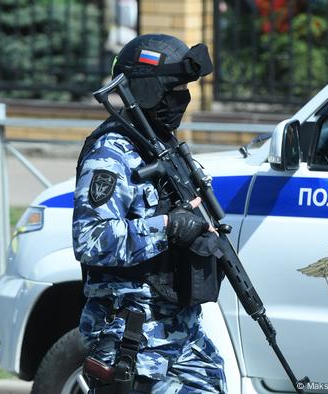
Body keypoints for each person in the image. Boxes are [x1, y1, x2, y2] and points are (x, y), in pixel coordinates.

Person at [73, 34, 227, 393]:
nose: (182, 100)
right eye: (173, 90)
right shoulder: (110, 153)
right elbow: (90, 240)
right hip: (132, 336)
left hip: (181, 331)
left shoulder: (163, 146)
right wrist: (168, 227)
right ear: (146, 89)